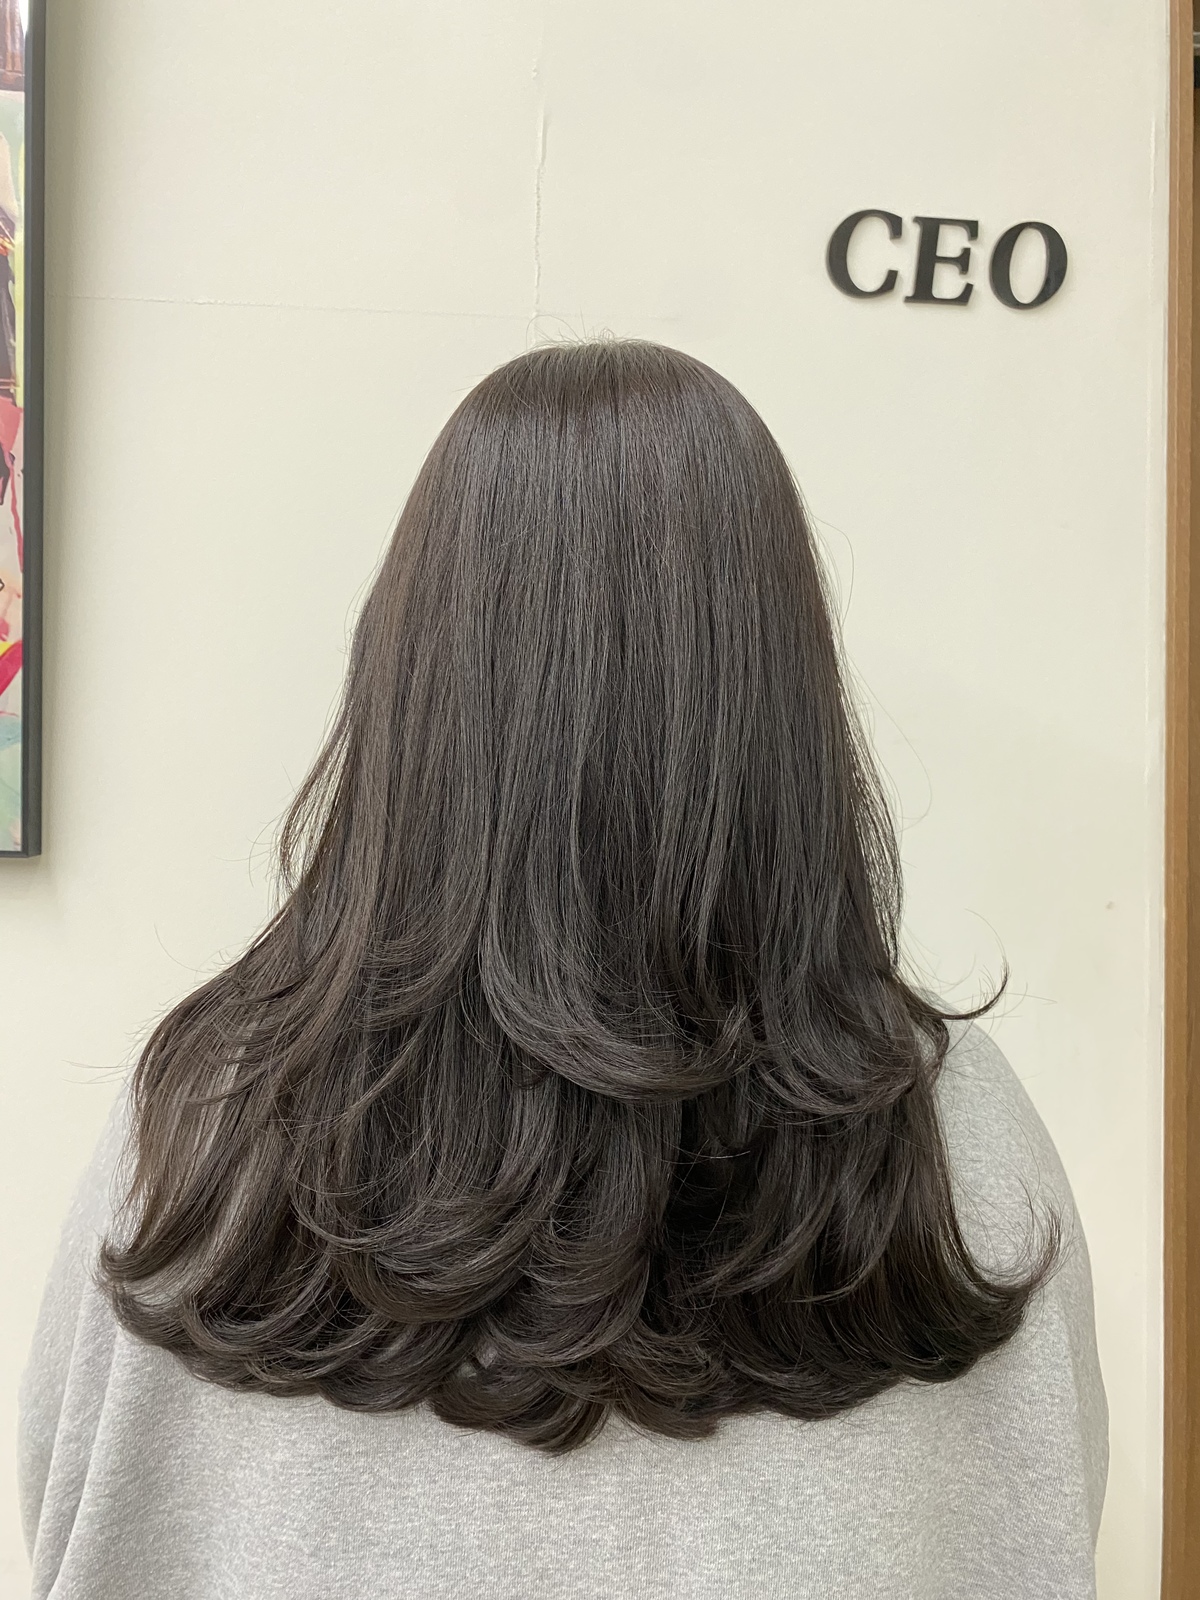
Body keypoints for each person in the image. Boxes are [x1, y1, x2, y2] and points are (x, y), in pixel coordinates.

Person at [19, 339, 1107, 1599]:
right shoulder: (960, 1131)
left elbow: (66, 1501)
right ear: (783, 693)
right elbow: (1049, 1507)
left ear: (412, 678)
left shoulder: (203, 1124)